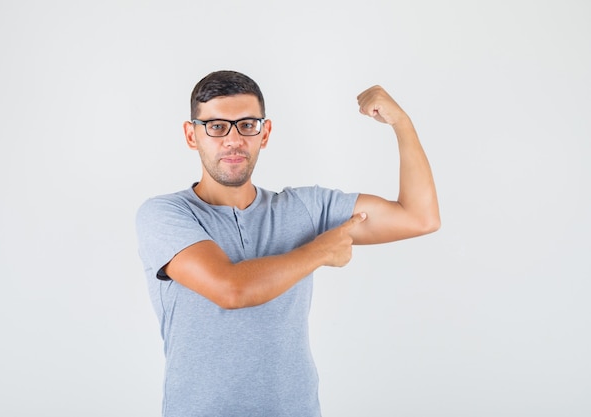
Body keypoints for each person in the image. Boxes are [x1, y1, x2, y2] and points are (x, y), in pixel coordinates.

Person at [135, 70, 440, 417]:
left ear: (264, 133)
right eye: (217, 127)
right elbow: (231, 289)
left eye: (247, 125)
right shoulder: (164, 214)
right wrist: (320, 251)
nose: (233, 140)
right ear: (192, 135)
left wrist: (402, 123)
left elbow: (419, 217)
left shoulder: (304, 208)